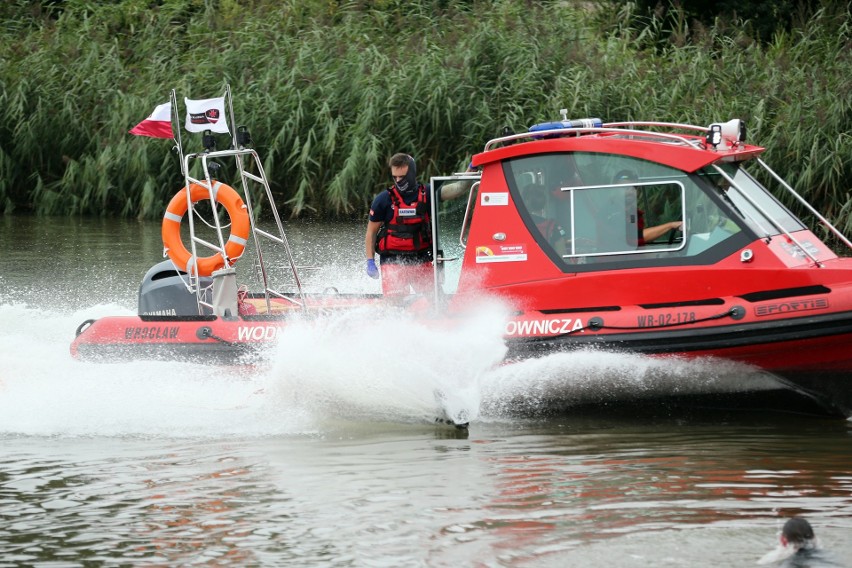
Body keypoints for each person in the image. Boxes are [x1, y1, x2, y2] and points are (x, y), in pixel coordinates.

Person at [365, 153, 474, 297]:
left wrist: (472, 167)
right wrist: (370, 261)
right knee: (395, 303)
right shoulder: (383, 200)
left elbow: (459, 188)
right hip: (392, 260)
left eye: (402, 177)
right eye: (395, 177)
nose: (398, 181)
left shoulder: (428, 193)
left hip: (420, 258)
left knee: (436, 300)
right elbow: (371, 232)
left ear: (411, 174)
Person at [613, 169, 683, 246]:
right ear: (614, 189)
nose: (630, 191)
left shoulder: (632, 213)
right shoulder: (611, 213)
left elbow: (637, 239)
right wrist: (671, 225)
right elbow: (634, 238)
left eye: (634, 187)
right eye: (625, 187)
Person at [523, 183, 569, 256]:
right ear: (544, 203)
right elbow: (562, 254)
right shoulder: (554, 226)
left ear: (525, 201)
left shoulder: (517, 224)